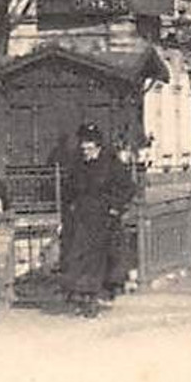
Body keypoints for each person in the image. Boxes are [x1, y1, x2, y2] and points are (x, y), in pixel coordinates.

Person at [59, 123, 138, 317]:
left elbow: (128, 188)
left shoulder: (111, 164)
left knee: (101, 259)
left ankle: (95, 297)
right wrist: (67, 214)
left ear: (98, 146)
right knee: (79, 257)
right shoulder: (78, 165)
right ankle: (84, 296)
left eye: (89, 146)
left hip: (104, 219)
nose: (85, 150)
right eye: (83, 146)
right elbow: (68, 191)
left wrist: (115, 208)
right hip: (81, 218)